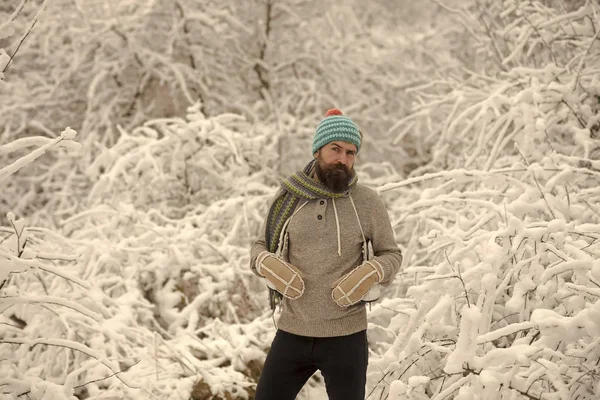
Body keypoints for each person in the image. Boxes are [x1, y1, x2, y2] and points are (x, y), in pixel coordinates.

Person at [249, 108, 403, 400]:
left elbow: (391, 255)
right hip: (292, 332)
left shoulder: (367, 202)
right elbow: (258, 248)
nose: (343, 159)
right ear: (318, 150)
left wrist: (371, 272)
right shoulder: (288, 197)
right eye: (336, 149)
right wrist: (269, 265)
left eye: (350, 152)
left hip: (346, 337)